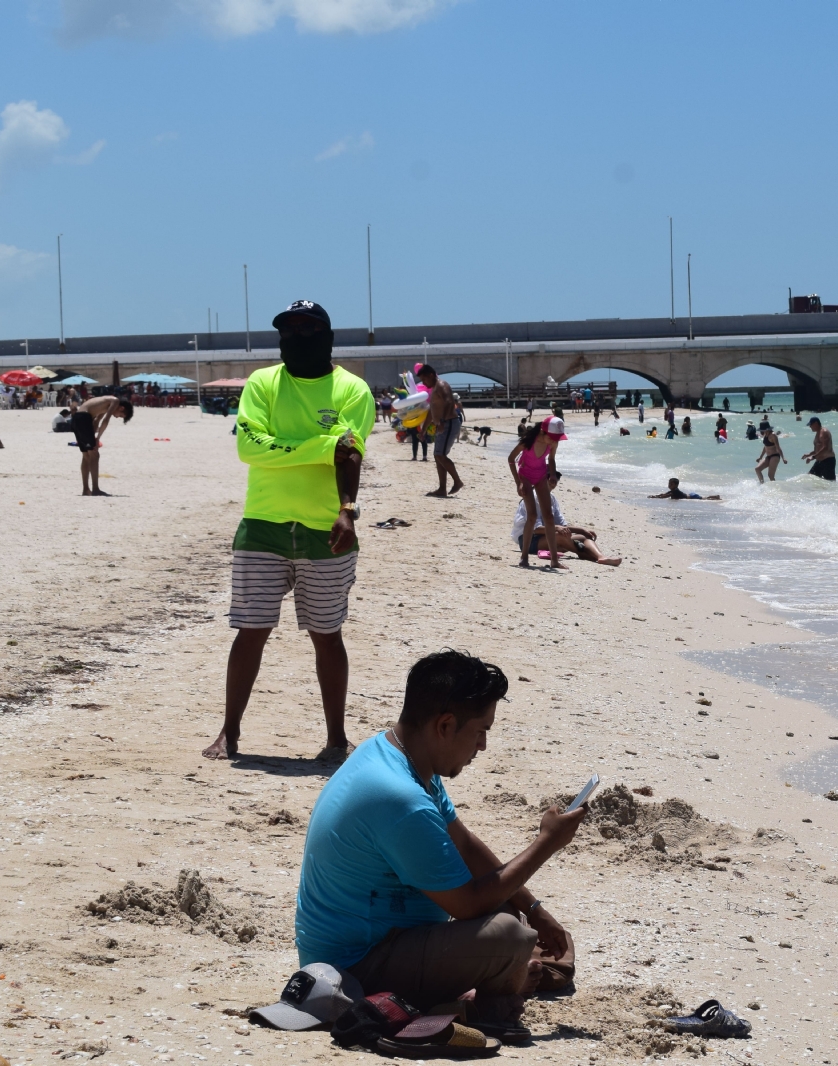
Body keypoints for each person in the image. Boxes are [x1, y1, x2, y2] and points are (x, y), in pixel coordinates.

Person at [295, 649, 585, 1023]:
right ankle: (485, 1000)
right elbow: (466, 904)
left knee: (516, 916)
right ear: (445, 725)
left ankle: (498, 975)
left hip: (387, 939)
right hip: (352, 968)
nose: (482, 746)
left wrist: (537, 911)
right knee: (510, 937)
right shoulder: (400, 797)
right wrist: (547, 843)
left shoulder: (396, 753)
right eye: (481, 732)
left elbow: (464, 845)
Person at [203, 299, 374, 762]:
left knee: (327, 634)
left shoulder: (353, 390)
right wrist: (323, 446)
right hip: (263, 525)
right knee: (250, 630)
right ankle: (229, 731)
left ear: (328, 336)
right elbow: (248, 446)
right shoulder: (262, 383)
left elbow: (352, 454)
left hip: (327, 529)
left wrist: (347, 511)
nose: (297, 337)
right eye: (289, 329)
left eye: (308, 329)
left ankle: (336, 738)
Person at [512, 471, 621, 565]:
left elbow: (562, 526)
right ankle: (584, 554)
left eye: (556, 478)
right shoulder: (533, 497)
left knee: (582, 536)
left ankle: (601, 556)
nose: (553, 480)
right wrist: (557, 528)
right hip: (530, 540)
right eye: (549, 476)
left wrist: (581, 530)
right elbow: (535, 528)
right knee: (559, 536)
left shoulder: (552, 499)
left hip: (547, 536)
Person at [508, 417, 568, 569]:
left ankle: (554, 560)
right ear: (543, 431)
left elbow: (552, 459)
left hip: (541, 475)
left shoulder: (553, 442)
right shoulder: (528, 441)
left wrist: (553, 474)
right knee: (532, 515)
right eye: (552, 437)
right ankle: (524, 557)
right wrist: (518, 483)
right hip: (525, 476)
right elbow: (511, 459)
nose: (554, 441)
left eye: (556, 438)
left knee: (548, 516)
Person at [70, 394, 134, 495]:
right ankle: (95, 489)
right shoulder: (115, 401)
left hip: (77, 418)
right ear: (121, 408)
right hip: (84, 418)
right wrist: (98, 439)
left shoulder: (105, 402)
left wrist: (94, 436)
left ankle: (86, 489)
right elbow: (106, 420)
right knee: (95, 455)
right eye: (120, 415)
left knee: (87, 455)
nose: (117, 417)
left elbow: (97, 420)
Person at [416, 365, 464, 497]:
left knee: (440, 455)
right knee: (438, 456)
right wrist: (423, 430)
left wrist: (442, 421)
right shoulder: (434, 390)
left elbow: (449, 402)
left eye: (424, 379)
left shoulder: (442, 385)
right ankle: (442, 489)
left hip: (448, 423)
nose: (424, 383)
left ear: (431, 375)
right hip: (442, 424)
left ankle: (457, 481)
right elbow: (431, 413)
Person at [649, 477, 720, 500]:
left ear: (676, 485)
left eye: (671, 484)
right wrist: (656, 496)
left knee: (705, 499)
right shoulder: (672, 490)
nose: (669, 485)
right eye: (669, 484)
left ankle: (716, 497)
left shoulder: (675, 491)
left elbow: (665, 496)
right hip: (689, 495)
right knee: (704, 498)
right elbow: (663, 494)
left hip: (692, 496)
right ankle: (715, 496)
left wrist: (655, 497)